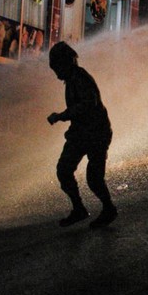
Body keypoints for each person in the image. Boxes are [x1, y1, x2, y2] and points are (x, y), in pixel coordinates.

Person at [47, 41, 117, 228]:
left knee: (93, 178)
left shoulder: (80, 78)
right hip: (81, 134)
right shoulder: (71, 81)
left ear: (67, 63)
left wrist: (61, 116)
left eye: (57, 67)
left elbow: (87, 105)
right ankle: (78, 209)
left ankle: (108, 209)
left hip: (96, 134)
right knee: (63, 170)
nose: (56, 73)